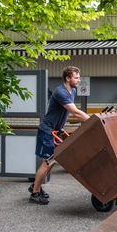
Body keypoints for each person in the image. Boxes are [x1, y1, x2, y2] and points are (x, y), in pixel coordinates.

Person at [30, 66, 89, 205]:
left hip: (55, 130)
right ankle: (35, 193)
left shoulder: (72, 91)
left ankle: (35, 187)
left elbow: (68, 112)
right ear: (68, 78)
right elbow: (75, 112)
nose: (79, 80)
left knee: (51, 161)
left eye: (79, 77)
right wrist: (95, 120)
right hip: (47, 131)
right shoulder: (60, 92)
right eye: (76, 77)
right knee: (48, 162)